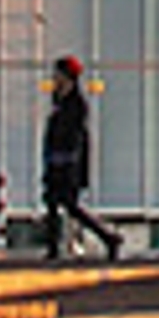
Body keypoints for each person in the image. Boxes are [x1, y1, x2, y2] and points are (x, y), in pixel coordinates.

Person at [40, 55, 122, 264]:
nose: (54, 78)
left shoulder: (75, 104)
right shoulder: (60, 101)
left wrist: (70, 160)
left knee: (69, 205)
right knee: (53, 202)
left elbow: (75, 136)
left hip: (68, 162)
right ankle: (53, 247)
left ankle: (108, 237)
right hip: (57, 159)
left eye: (58, 74)